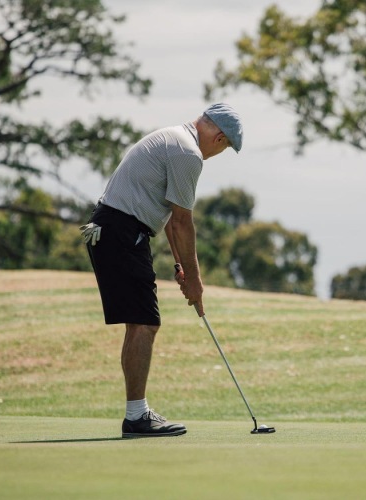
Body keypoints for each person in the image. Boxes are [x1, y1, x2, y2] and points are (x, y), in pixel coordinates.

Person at [79, 103, 243, 438]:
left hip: (116, 230)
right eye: (225, 147)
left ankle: (136, 414)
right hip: (122, 232)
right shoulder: (189, 153)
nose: (220, 152)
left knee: (141, 323)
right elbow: (184, 222)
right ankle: (137, 417)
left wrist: (181, 265)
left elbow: (169, 216)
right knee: (145, 323)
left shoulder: (173, 138)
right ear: (219, 137)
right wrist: (196, 283)